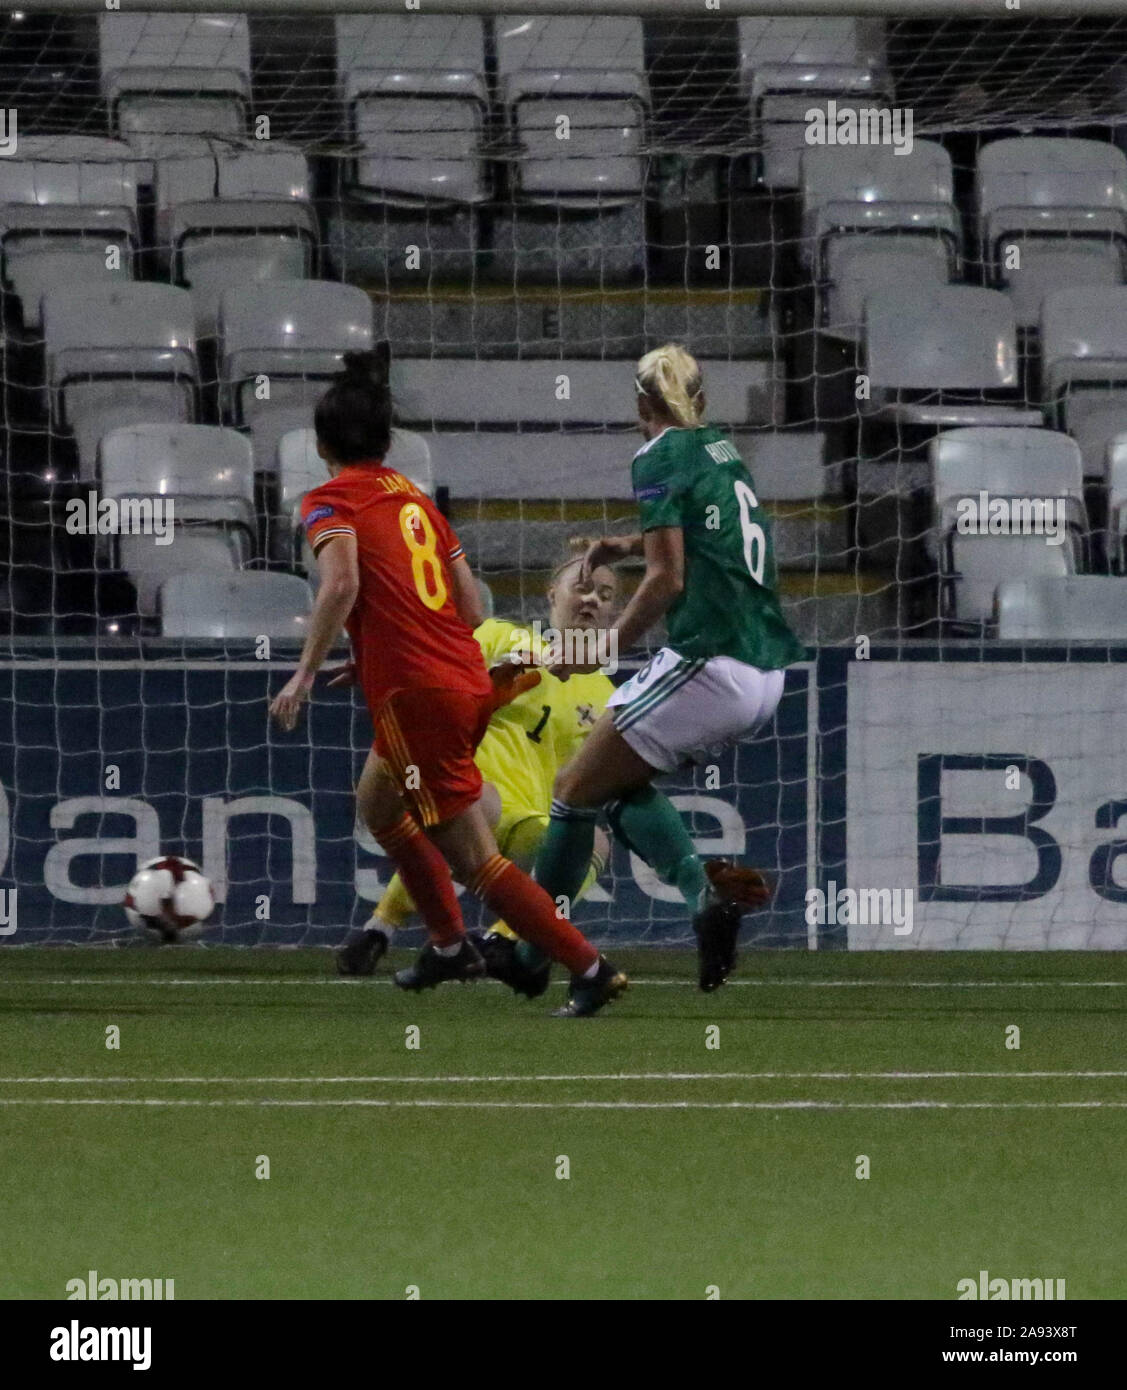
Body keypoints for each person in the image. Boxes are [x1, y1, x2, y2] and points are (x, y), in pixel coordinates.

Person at [268, 350, 627, 1018]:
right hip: (458, 676)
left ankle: (588, 966)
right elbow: (471, 611)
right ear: (387, 442)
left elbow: (342, 583)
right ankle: (445, 943)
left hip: (417, 695)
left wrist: (306, 670)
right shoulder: (418, 504)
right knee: (379, 803)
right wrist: (379, 651)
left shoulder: (326, 501)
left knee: (478, 862)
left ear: (320, 447)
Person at [531, 343, 804, 991]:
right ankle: (702, 902)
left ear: (639, 404)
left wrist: (605, 648)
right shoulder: (719, 447)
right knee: (611, 787)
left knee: (570, 792)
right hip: (766, 670)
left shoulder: (654, 454)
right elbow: (711, 534)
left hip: (712, 660)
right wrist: (624, 542)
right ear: (700, 400)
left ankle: (527, 948)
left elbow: (666, 579)